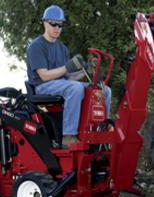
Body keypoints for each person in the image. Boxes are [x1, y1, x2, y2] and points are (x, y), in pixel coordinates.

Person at [26, 4, 111, 147]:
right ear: (45, 23)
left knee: (104, 90)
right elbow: (44, 76)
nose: (56, 28)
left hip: (61, 85)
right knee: (75, 89)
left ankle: (102, 131)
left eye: (60, 25)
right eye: (53, 24)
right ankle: (68, 136)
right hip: (43, 86)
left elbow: (68, 78)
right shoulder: (36, 46)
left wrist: (86, 70)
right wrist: (67, 67)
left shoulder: (62, 48)